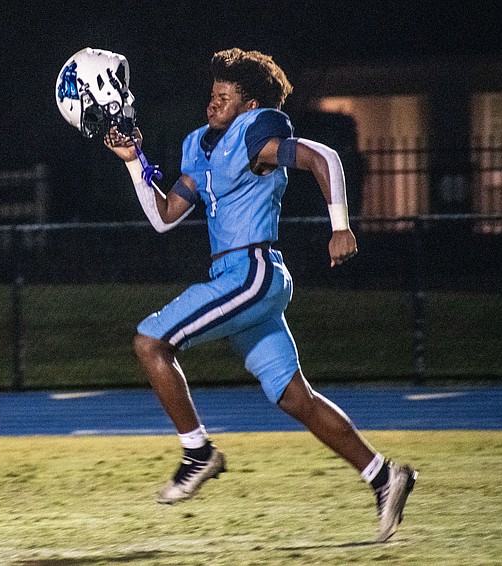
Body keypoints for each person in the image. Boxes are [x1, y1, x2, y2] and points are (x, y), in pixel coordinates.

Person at [105, 48, 417, 542]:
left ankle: (198, 453)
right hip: (245, 280)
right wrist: (133, 161)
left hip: (249, 273)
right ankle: (385, 475)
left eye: (223, 97)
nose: (212, 105)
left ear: (250, 106)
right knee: (297, 398)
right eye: (211, 96)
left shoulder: (256, 135)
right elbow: (165, 216)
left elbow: (324, 158)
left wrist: (341, 227)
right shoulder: (199, 146)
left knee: (150, 341)